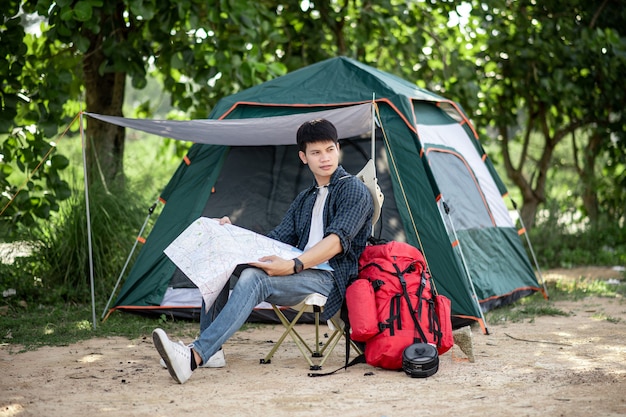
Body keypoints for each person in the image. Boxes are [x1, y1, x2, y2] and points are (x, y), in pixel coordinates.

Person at [152, 118, 374, 384]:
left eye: (329, 149)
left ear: (338, 149)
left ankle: (194, 357)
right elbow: (273, 240)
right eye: (316, 152)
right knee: (223, 256)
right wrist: (233, 235)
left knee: (254, 278)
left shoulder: (353, 190)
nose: (324, 158)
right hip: (301, 271)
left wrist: (293, 266)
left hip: (332, 277)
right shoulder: (306, 198)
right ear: (303, 157)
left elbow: (337, 242)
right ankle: (212, 353)